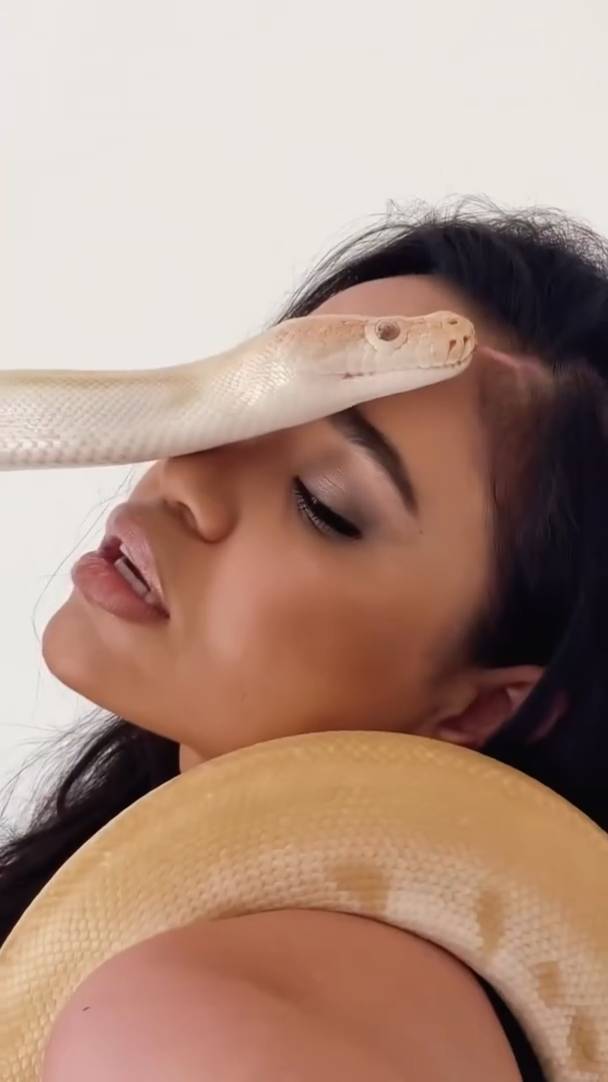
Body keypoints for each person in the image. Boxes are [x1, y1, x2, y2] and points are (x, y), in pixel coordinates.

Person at [3, 198, 608, 1080]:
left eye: (323, 504)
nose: (189, 475)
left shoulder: (186, 1022)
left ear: (485, 706)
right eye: (242, 406)